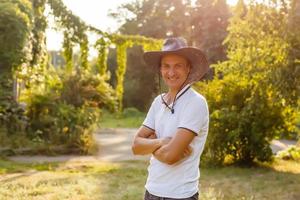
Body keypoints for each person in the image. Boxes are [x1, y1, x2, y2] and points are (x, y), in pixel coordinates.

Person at [132, 37, 210, 200]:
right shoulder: (158, 102)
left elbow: (171, 156)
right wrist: (162, 142)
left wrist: (151, 145)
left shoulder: (195, 103)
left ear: (188, 68)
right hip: (151, 191)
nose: (171, 72)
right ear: (160, 69)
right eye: (166, 66)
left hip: (180, 195)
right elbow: (136, 146)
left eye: (178, 66)